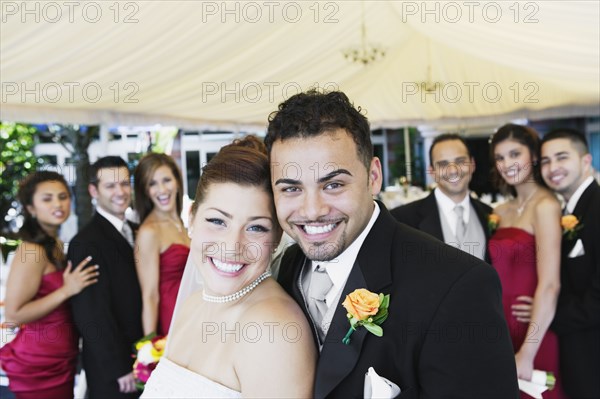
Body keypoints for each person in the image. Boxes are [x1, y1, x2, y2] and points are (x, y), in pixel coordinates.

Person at [265, 89, 519, 398]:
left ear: (373, 176)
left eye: (333, 184)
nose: (312, 210)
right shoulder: (285, 269)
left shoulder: (459, 287)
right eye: (291, 189)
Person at [141, 136, 316, 398]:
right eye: (217, 221)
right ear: (191, 218)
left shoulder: (272, 331)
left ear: (278, 237)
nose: (232, 246)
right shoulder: (192, 304)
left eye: (256, 227)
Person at [0, 171, 98, 399]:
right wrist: (66, 290)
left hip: (61, 357)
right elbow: (14, 314)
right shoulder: (31, 251)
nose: (58, 204)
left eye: (63, 196)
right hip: (39, 363)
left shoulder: (53, 243)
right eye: (47, 199)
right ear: (31, 208)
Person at [488, 123, 565, 398]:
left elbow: (550, 284)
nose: (507, 163)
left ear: (532, 156)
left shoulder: (546, 206)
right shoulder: (499, 211)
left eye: (514, 154)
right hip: (500, 329)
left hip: (533, 330)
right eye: (500, 157)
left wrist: (528, 351)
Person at [68, 156, 143, 398]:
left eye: (124, 183)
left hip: (140, 354)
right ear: (93, 190)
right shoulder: (86, 242)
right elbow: (91, 314)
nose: (120, 192)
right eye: (110, 186)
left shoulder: (134, 230)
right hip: (113, 370)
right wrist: (118, 367)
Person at [540, 128, 600, 398]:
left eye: (561, 157)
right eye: (545, 161)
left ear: (586, 161)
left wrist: (545, 318)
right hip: (575, 349)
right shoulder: (567, 210)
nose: (553, 168)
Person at [391, 133, 493, 261]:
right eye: (443, 164)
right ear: (432, 171)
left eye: (460, 161)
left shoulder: (489, 214)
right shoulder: (401, 220)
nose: (453, 171)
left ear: (472, 165)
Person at [134, 153, 190, 336]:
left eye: (166, 180)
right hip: (172, 320)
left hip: (194, 315)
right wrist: (149, 350)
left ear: (177, 182)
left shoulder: (182, 224)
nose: (162, 189)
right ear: (145, 190)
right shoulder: (149, 232)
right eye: (152, 183)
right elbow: (149, 296)